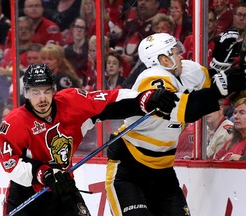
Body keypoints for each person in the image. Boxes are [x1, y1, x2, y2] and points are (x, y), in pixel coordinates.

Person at [0, 63, 180, 215]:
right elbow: (11, 164)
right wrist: (44, 174)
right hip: (27, 194)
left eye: (46, 91)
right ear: (26, 93)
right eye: (36, 92)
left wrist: (145, 99)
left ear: (54, 90)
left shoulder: (72, 102)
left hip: (63, 188)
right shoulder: (13, 124)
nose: (42, 98)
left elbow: (110, 100)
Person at [105, 33, 246, 215]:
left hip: (163, 172)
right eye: (175, 52)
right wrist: (222, 86)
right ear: (164, 60)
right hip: (129, 170)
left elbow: (212, 85)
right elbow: (185, 109)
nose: (180, 55)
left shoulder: (187, 71)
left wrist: (223, 66)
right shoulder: (151, 78)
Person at [213, 94, 246, 160]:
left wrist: (241, 159)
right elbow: (216, 160)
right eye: (235, 112)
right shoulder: (231, 142)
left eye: (242, 113)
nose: (235, 116)